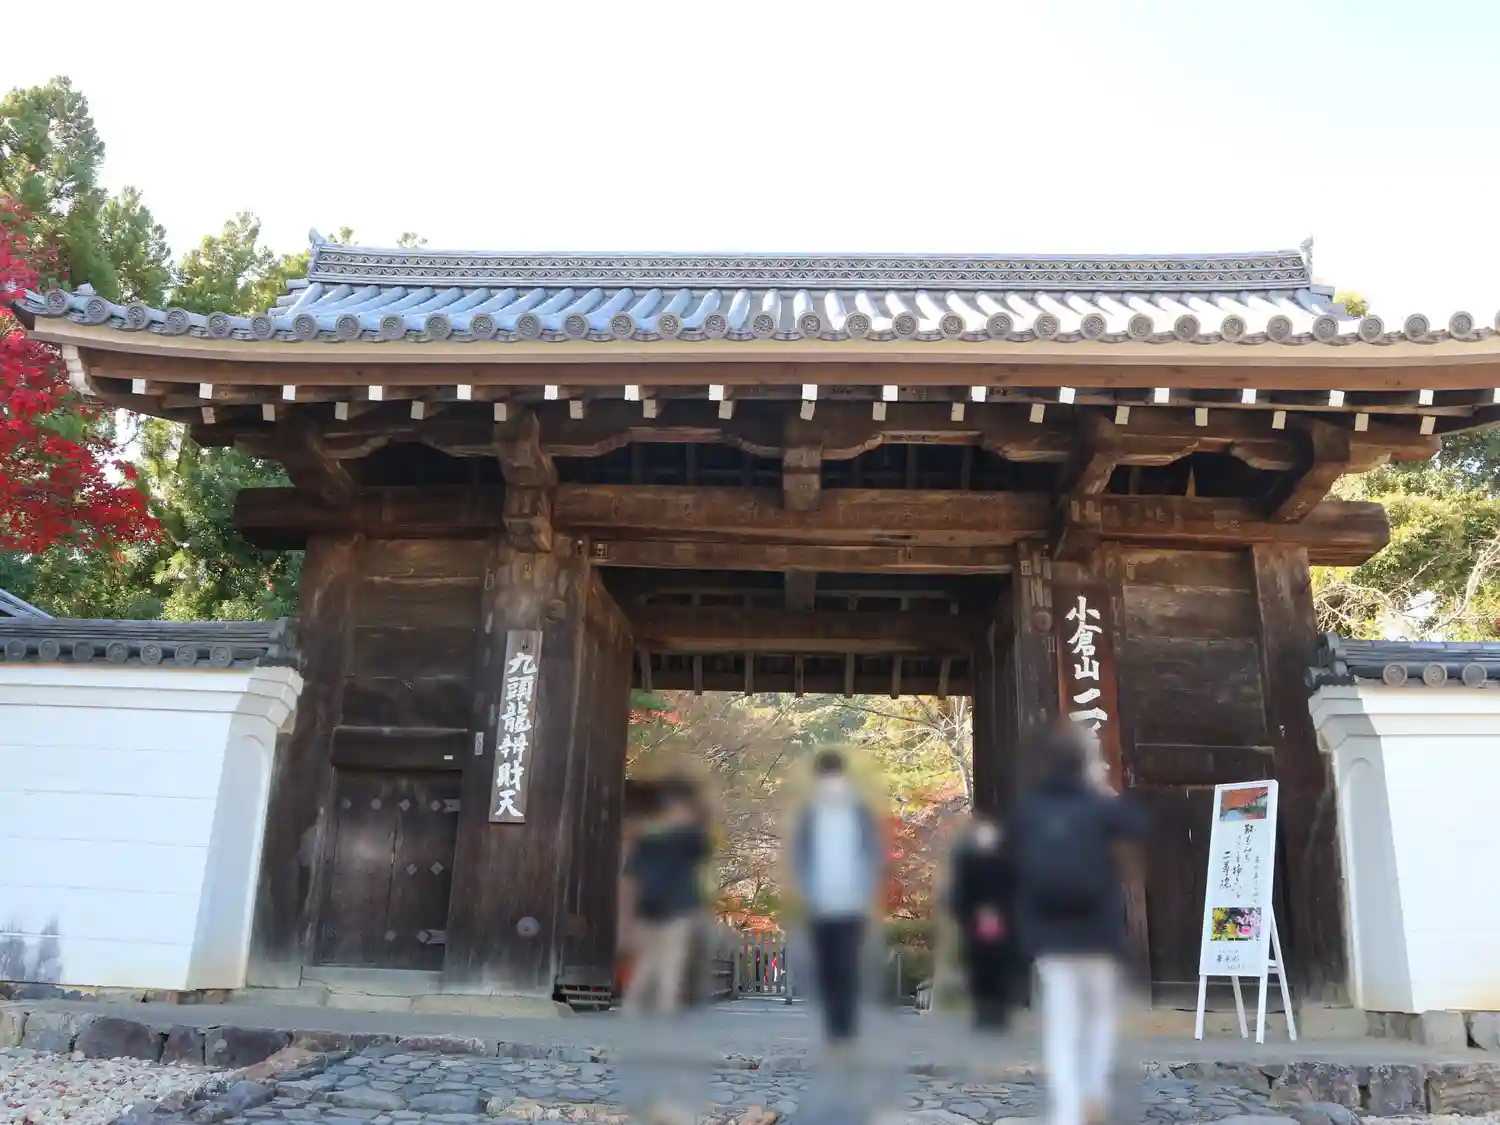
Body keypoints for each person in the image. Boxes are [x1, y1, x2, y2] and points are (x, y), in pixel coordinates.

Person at [1011, 723, 1147, 1125]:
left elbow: (1011, 863)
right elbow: (1140, 825)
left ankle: (1068, 1110)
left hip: (1051, 933)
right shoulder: (1099, 805)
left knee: (1063, 1022)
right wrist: (1102, 789)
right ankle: (1094, 1093)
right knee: (1100, 1015)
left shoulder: (1029, 808)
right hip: (1098, 931)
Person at [788, 749, 884, 1044]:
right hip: (819, 903)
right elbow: (800, 857)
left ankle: (845, 1029)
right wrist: (804, 892)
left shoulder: (859, 811)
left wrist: (867, 893)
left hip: (852, 903)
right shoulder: (809, 813)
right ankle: (834, 1027)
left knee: (847, 965)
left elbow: (872, 853)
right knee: (826, 967)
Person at [621, 778, 711, 1016]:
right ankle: (644, 1008)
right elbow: (632, 876)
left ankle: (654, 1008)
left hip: (672, 907)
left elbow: (701, 848)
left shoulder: (682, 838)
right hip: (659, 907)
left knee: (665, 961)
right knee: (655, 961)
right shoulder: (654, 840)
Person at [948, 812, 1020, 1030]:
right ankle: (982, 1011)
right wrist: (969, 914)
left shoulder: (1008, 863)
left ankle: (1000, 1012)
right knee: (978, 968)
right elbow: (960, 894)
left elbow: (1016, 893)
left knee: (1002, 968)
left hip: (1003, 921)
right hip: (975, 922)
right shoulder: (967, 864)